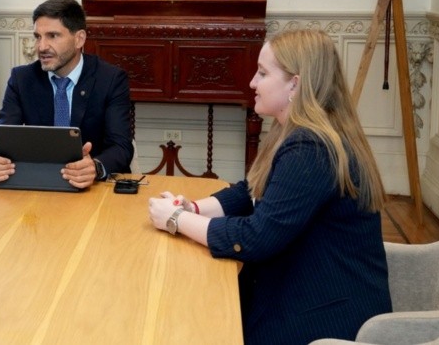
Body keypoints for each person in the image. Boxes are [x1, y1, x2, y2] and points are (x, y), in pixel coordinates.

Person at [148, 29, 392, 344]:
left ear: (295, 84)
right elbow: (250, 191)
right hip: (306, 287)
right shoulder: (295, 129)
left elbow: (257, 237)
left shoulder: (311, 147)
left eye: (263, 73)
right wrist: (191, 208)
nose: (252, 82)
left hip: (323, 316)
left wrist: (176, 220)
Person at [0, 0, 134, 189]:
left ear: (79, 39)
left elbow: (121, 146)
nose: (41, 47)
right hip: (37, 186)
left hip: (92, 190)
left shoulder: (111, 79)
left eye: (52, 36)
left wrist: (94, 167)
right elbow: (1, 136)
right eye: (38, 36)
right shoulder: (22, 79)